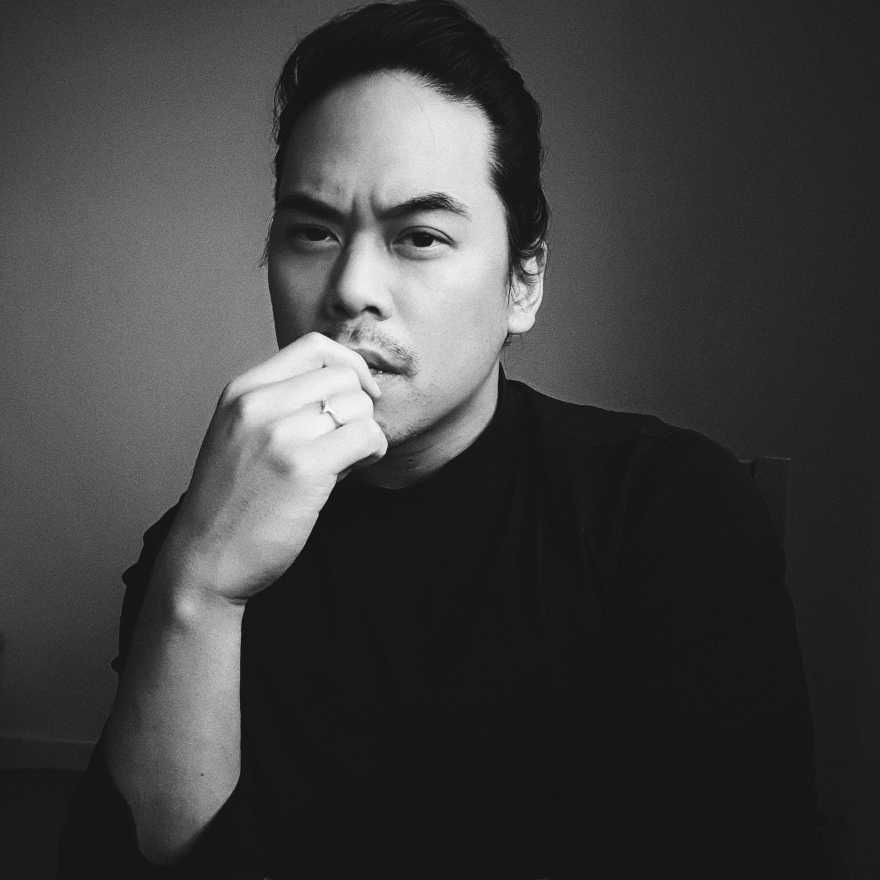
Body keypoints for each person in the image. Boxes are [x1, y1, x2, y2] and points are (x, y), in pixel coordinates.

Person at [57, 2, 822, 877]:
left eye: (419, 236)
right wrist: (197, 590)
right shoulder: (204, 538)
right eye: (313, 231)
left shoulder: (666, 512)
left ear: (523, 282)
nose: (351, 288)